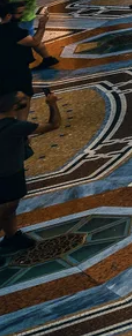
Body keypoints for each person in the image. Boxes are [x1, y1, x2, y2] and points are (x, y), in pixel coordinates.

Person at [0, 86, 63, 251]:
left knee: (9, 208)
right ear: (14, 107)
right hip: (8, 174)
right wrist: (52, 103)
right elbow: (54, 123)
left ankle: (11, 236)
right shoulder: (15, 127)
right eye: (22, 98)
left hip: (9, 171)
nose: (26, 98)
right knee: (6, 208)